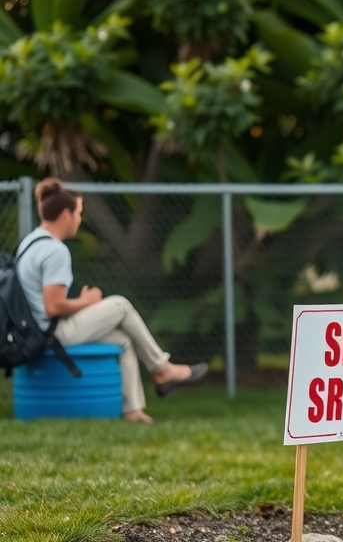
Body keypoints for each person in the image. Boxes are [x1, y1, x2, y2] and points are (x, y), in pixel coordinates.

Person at [16, 178, 208, 423]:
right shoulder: (55, 251)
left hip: (35, 331)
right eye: (79, 213)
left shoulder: (30, 243)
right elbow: (53, 307)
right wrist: (86, 301)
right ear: (66, 215)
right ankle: (162, 369)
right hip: (53, 333)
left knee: (124, 340)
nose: (79, 219)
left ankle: (133, 412)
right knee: (121, 306)